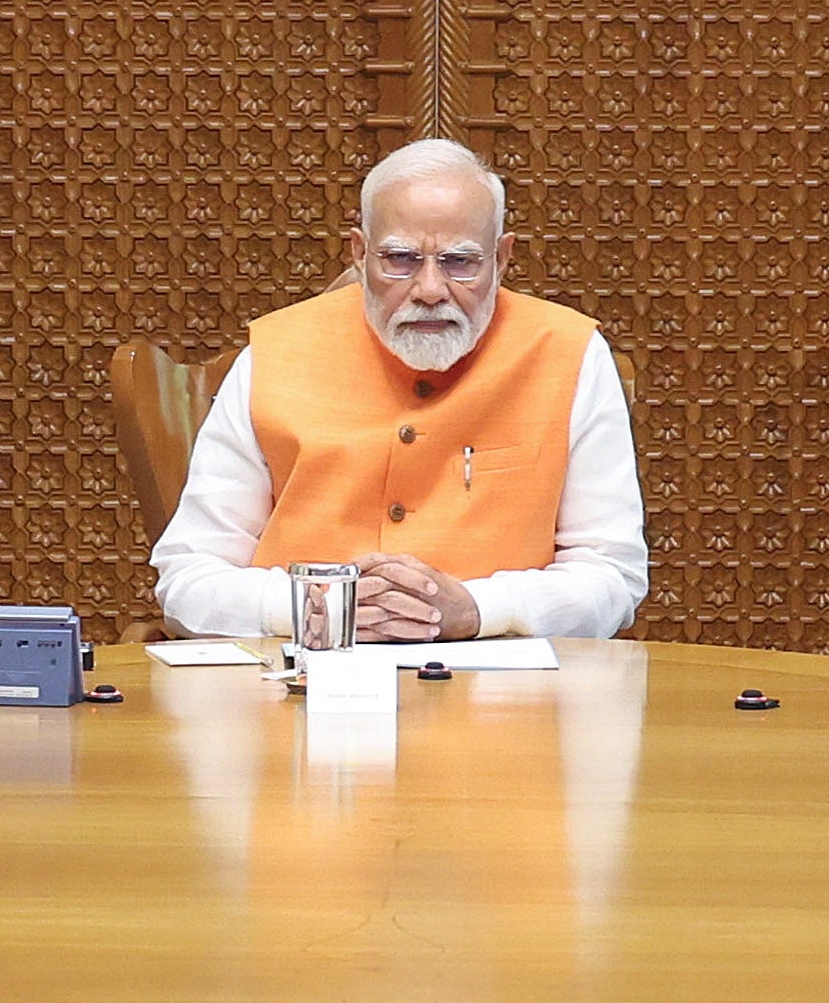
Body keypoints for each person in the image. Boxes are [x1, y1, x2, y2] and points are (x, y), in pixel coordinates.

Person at [153, 138, 651, 644]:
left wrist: (480, 609)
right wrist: (313, 606)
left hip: (505, 697)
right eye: (401, 259)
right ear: (359, 251)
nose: (430, 289)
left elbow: (614, 573)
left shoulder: (571, 354)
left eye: (460, 262)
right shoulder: (273, 354)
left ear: (502, 258)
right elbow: (188, 576)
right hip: (298, 694)